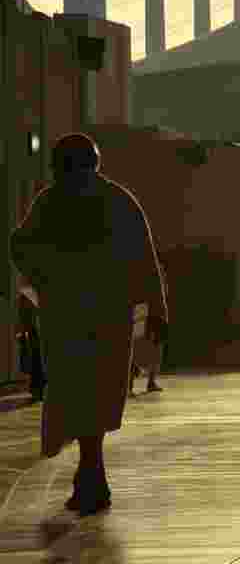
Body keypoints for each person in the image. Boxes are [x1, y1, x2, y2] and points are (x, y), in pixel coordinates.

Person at [9, 133, 167, 516]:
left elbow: (20, 245)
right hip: (108, 314)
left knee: (76, 388)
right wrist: (158, 311)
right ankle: (91, 470)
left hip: (68, 315)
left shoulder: (51, 201)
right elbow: (145, 258)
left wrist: (48, 279)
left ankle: (90, 470)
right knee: (99, 389)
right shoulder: (118, 200)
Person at [131, 255, 170, 394]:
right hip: (145, 313)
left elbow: (163, 293)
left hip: (156, 314)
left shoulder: (159, 273)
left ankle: (151, 382)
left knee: (156, 348)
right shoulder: (144, 274)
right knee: (137, 346)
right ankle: (131, 383)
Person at [16, 284, 46, 402]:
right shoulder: (25, 294)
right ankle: (37, 391)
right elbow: (23, 317)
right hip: (32, 332)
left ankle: (38, 390)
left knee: (36, 361)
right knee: (34, 361)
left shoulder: (27, 294)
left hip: (35, 332)